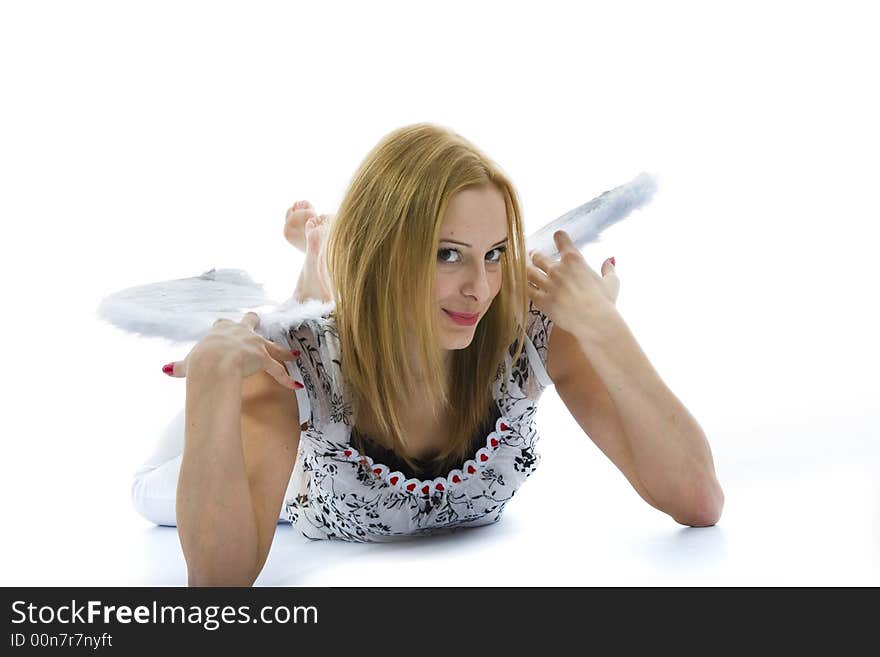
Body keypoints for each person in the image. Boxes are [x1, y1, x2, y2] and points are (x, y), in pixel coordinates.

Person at [132, 123, 724, 586]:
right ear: (384, 253)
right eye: (447, 254)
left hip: (360, 309)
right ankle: (318, 268)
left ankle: (323, 257)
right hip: (293, 475)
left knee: (369, 312)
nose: (479, 288)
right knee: (148, 491)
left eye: (494, 254)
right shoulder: (289, 362)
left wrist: (605, 327)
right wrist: (210, 383)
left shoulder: (528, 329)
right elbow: (217, 583)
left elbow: (700, 501)